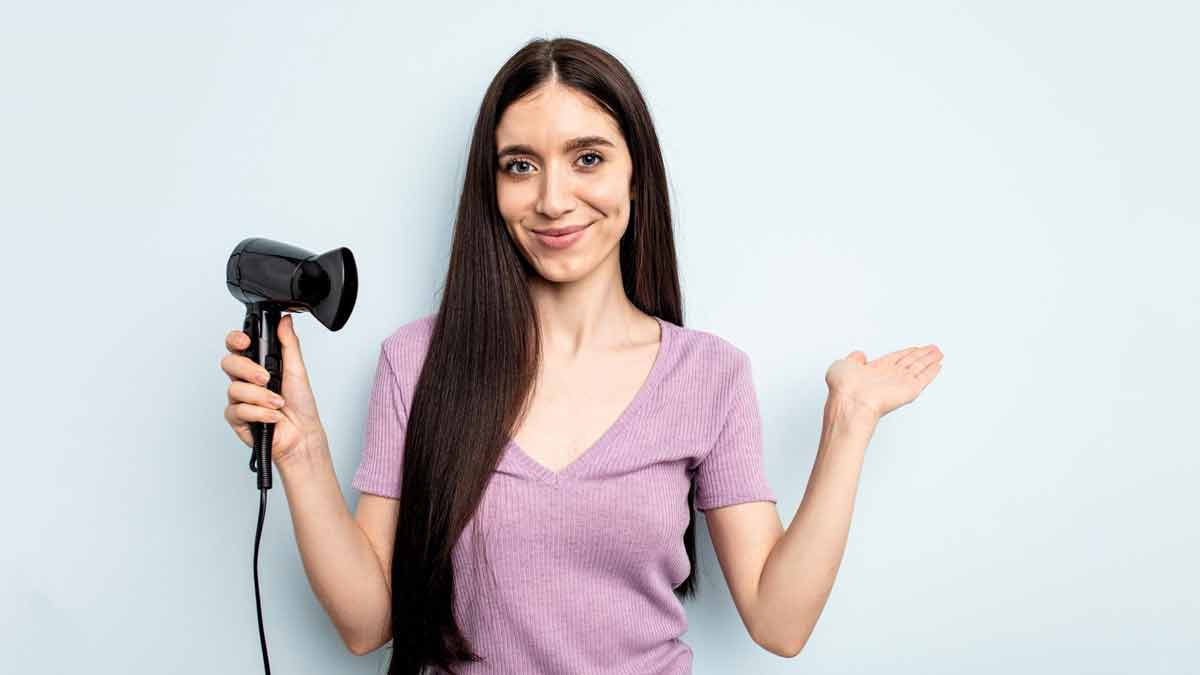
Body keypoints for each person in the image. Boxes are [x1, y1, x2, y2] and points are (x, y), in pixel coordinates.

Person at [220, 36, 943, 675]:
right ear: (492, 186)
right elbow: (365, 624)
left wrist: (849, 423)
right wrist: (302, 452)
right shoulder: (417, 360)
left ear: (636, 174)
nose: (554, 199)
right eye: (520, 165)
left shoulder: (710, 376)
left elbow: (780, 623)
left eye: (587, 158)